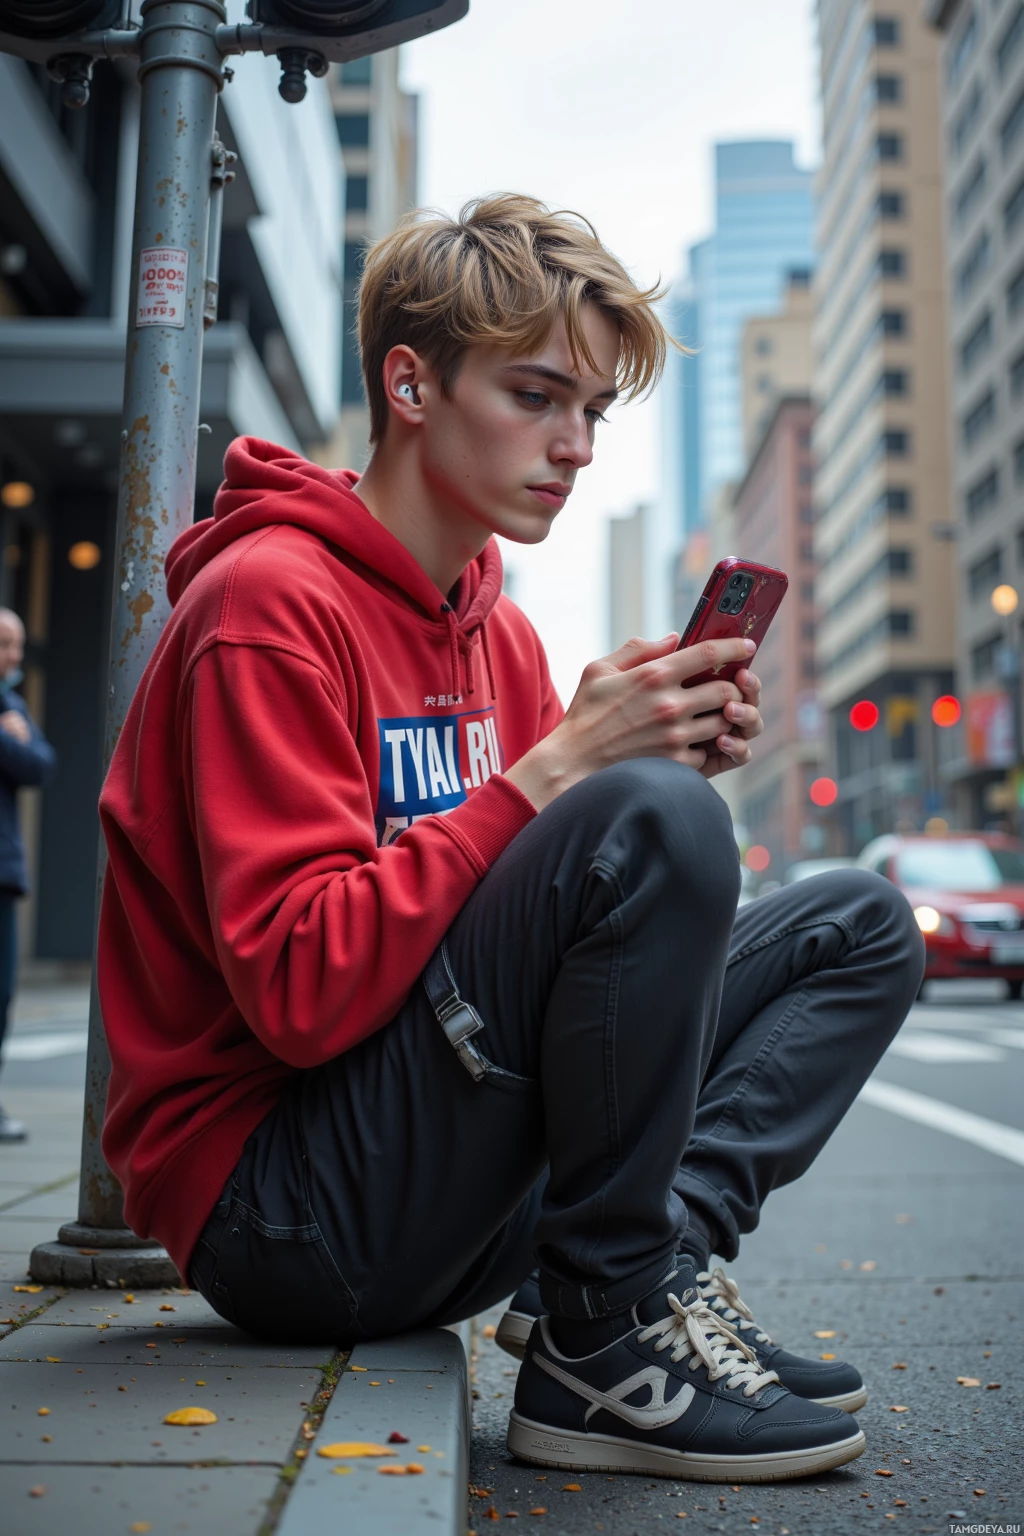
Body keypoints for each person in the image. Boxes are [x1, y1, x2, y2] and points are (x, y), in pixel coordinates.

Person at [98, 196, 924, 1484]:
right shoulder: (267, 605)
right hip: (284, 1207)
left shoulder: (500, 633)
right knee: (645, 817)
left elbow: (544, 908)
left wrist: (632, 763)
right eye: (539, 397)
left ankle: (618, 1284)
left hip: (439, 1161)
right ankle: (603, 1348)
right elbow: (301, 994)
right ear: (411, 383)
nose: (576, 445)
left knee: (856, 925)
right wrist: (574, 772)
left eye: (592, 411)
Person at [0, 607, 57, 1143]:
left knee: (1, 996)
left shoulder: (12, 704)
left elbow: (39, 764)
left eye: (16, 645)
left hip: (4, 872)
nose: (14, 657)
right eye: (4, 644)